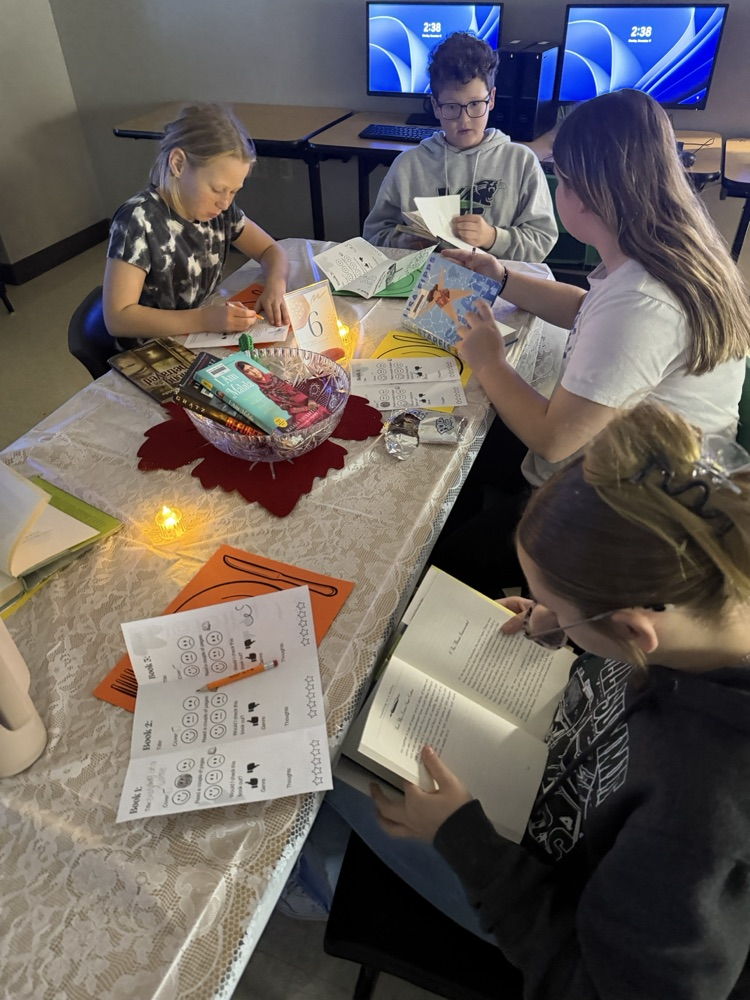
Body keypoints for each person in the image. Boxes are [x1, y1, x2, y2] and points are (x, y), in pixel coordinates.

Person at [291, 402, 750, 998]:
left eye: (557, 605)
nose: (543, 610)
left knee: (315, 745)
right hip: (553, 772)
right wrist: (564, 629)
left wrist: (462, 839)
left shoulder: (699, 818)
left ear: (634, 632)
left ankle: (317, 883)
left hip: (537, 895)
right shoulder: (715, 602)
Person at [430, 87, 750, 595]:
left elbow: (553, 439)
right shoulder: (661, 247)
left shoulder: (642, 300)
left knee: (444, 565)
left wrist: (490, 361)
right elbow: (586, 308)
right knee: (461, 448)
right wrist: (502, 276)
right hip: (646, 465)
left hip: (638, 509)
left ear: (583, 193)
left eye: (561, 179)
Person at [362, 32, 557, 262]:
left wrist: (493, 237)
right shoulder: (408, 166)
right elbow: (374, 235)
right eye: (451, 107)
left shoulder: (521, 162)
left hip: (499, 280)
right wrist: (402, 242)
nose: (464, 120)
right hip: (428, 278)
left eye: (475, 104)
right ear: (435, 106)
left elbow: (542, 239)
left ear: (492, 99)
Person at [103, 103, 290, 342]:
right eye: (217, 189)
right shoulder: (138, 220)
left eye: (234, 191)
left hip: (199, 335)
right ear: (178, 163)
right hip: (154, 345)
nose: (225, 203)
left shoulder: (220, 212)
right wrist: (203, 319)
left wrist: (275, 285)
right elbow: (118, 318)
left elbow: (271, 249)